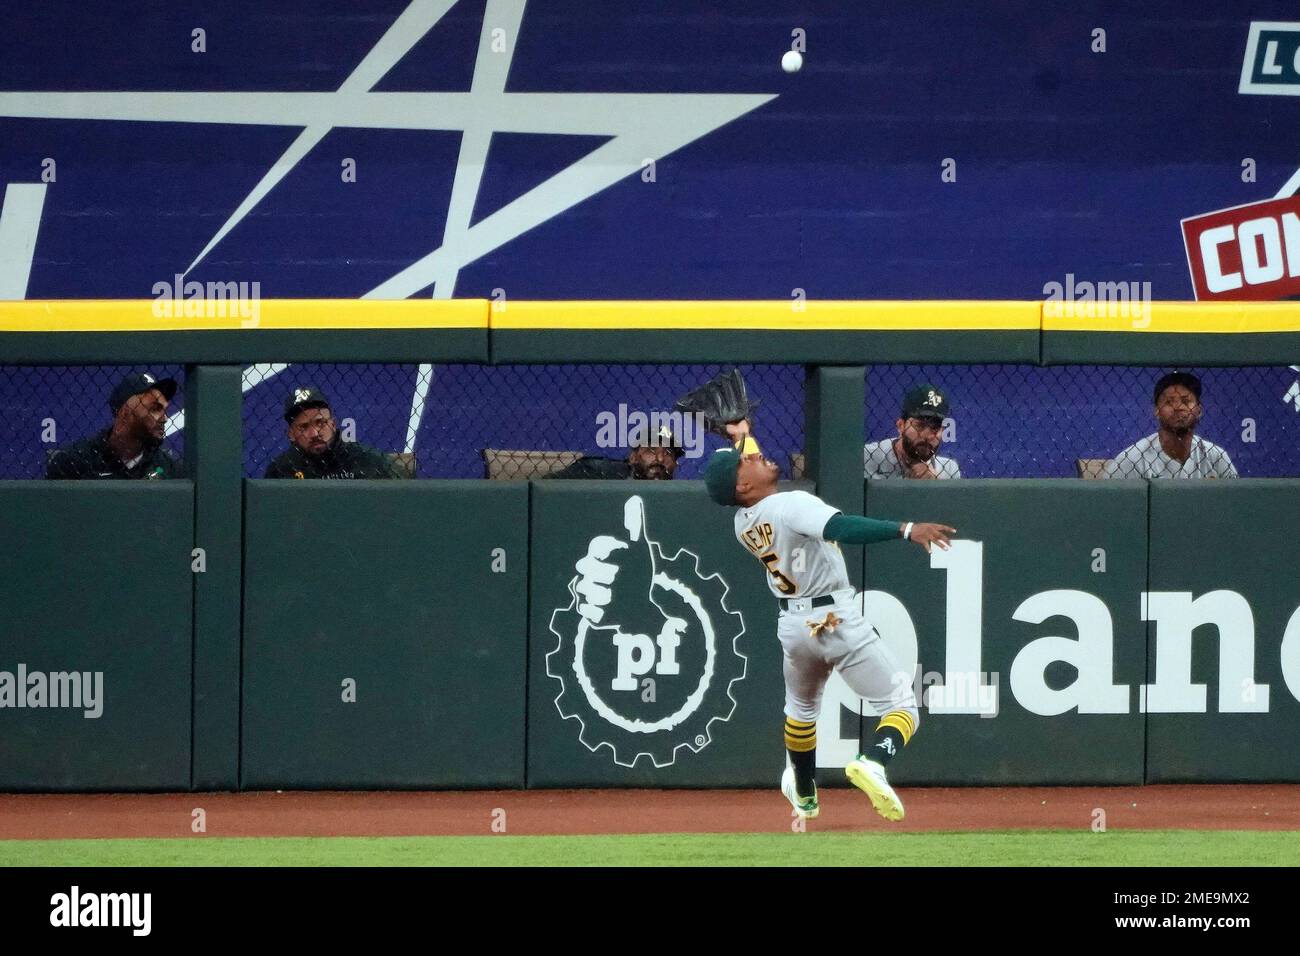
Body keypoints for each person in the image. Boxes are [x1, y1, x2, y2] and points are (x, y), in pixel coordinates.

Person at [703, 444, 955, 822]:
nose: (756, 456)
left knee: (801, 712)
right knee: (902, 704)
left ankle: (804, 793)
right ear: (741, 484)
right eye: (745, 461)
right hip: (834, 618)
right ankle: (873, 760)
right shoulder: (790, 504)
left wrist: (739, 438)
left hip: (793, 625)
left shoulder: (742, 522)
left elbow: (739, 475)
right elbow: (842, 527)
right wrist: (906, 530)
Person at [46, 372, 183, 480]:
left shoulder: (169, 468)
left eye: (164, 410)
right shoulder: (75, 462)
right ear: (125, 412)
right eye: (155, 409)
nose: (165, 418)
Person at [1103, 371, 1238, 479]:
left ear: (1199, 410)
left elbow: (1236, 503)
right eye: (1169, 402)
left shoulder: (1215, 457)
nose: (1178, 407)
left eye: (1186, 401)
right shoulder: (1133, 460)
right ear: (1157, 411)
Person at [265, 387, 399, 479]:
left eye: (320, 423)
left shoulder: (367, 461)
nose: (314, 433)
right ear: (291, 434)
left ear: (333, 425)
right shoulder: (280, 470)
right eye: (304, 427)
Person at [864, 384, 961, 479]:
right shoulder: (864, 459)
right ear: (901, 426)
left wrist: (934, 487)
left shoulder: (949, 470)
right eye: (920, 425)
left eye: (935, 427)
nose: (927, 436)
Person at [547, 425, 685, 480]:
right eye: (651, 450)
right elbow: (548, 485)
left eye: (668, 453)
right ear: (633, 457)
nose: (660, 459)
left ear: (676, 464)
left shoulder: (678, 497)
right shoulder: (602, 472)